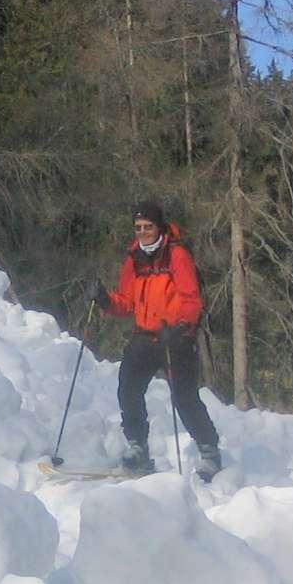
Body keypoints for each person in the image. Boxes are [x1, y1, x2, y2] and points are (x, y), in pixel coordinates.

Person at [92, 200, 222, 480]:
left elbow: (192, 299)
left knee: (184, 398)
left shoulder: (177, 255)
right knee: (128, 389)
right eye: (138, 227)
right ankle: (138, 447)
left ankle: (209, 451)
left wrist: (181, 327)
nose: (142, 232)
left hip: (176, 338)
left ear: (159, 227)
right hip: (145, 336)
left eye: (148, 227)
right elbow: (127, 302)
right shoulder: (134, 259)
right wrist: (105, 300)